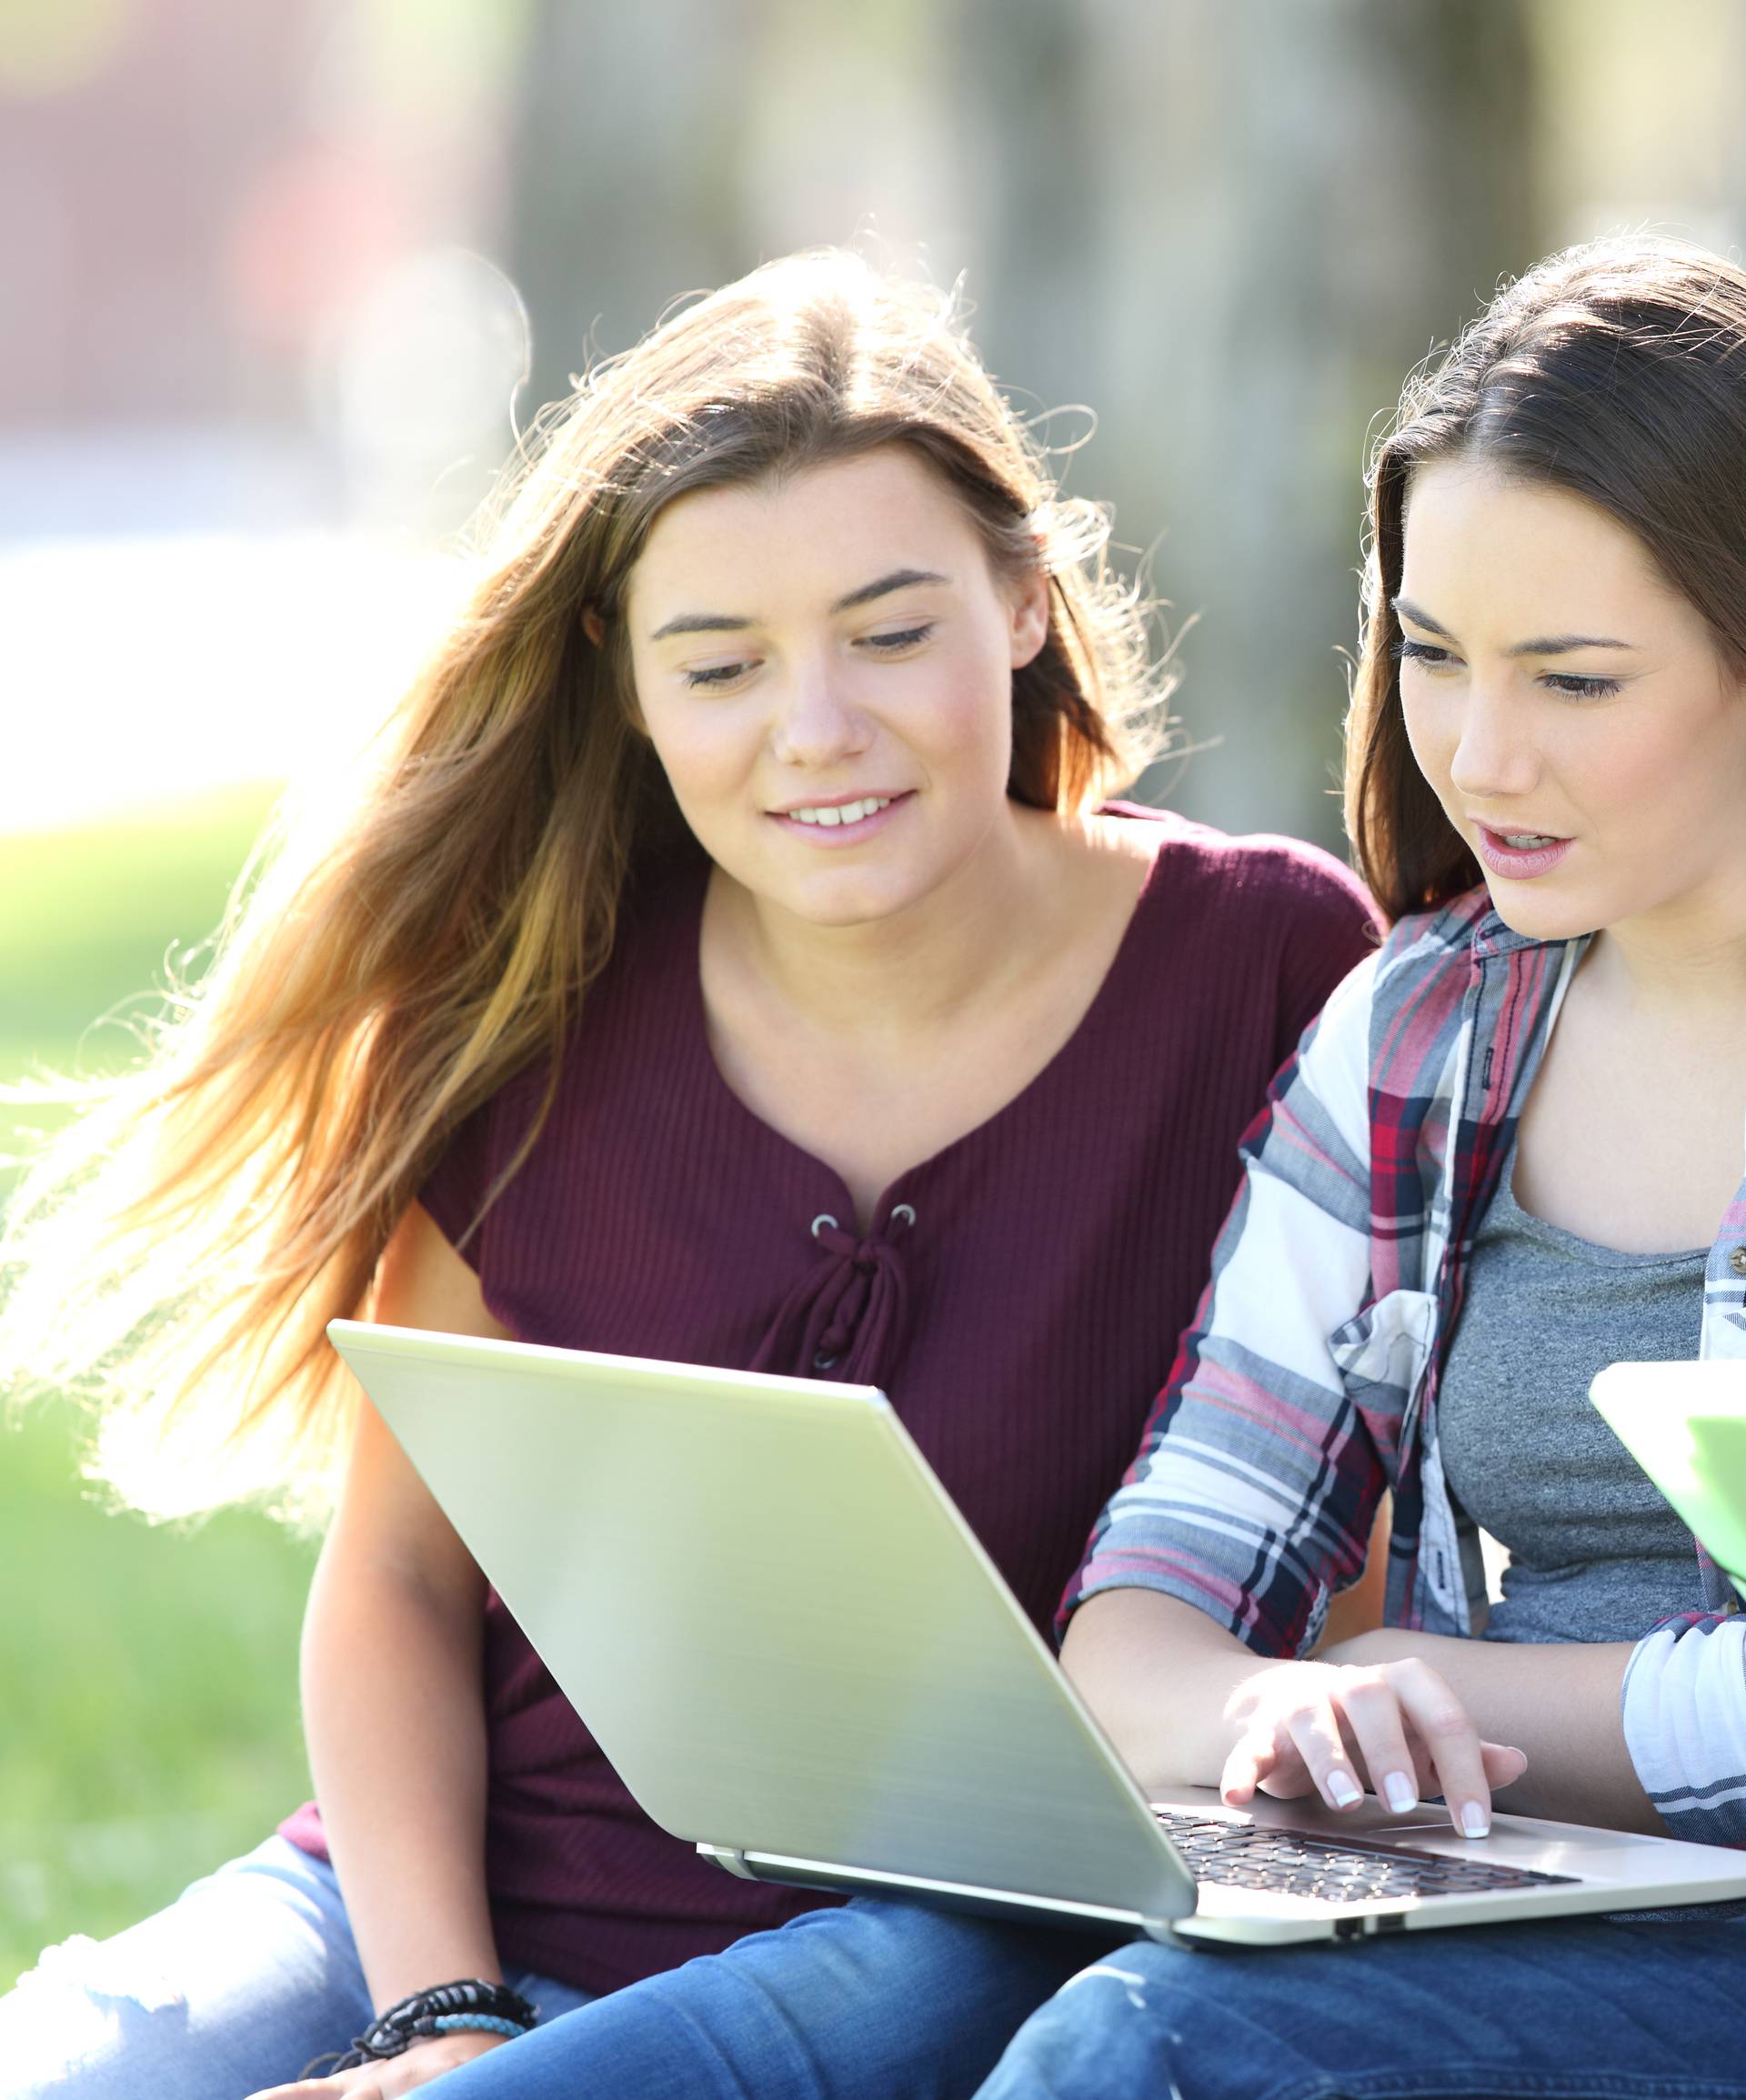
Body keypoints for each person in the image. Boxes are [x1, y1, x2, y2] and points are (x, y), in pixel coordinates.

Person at [0, 250, 1374, 2099]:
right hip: (445, 1905)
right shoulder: (535, 996)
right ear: (626, 685)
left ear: (1026, 599)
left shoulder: (1268, 966)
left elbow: (1345, 1558)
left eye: (892, 631)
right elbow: (401, 1581)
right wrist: (439, 2010)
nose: (816, 727)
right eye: (720, 664)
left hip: (964, 1934)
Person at [970, 235, 1746, 2100]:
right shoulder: (1420, 1034)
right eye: (1432, 653)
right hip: (1512, 1890)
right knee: (888, 1991)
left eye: (1573, 679)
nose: (1482, 757)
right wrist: (1274, 1707)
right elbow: (1146, 1624)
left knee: (1144, 2059)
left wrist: (1415, 1686)